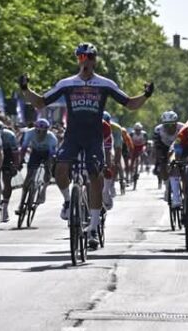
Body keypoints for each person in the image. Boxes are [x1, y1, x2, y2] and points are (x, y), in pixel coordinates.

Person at [19, 43, 152, 249]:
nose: (85, 61)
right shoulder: (67, 83)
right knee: (60, 170)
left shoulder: (104, 84)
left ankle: (93, 227)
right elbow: (40, 103)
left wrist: (146, 95)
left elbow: (129, 104)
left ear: (94, 60)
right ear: (78, 60)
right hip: (73, 136)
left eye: (89, 57)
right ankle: (67, 201)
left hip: (93, 138)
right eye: (81, 57)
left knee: (95, 178)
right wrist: (25, 89)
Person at [20, 118, 58, 205]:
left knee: (48, 169)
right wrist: (20, 160)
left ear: (47, 131)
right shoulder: (29, 133)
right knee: (29, 175)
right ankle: (22, 201)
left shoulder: (52, 137)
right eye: (38, 131)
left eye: (43, 132)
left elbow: (52, 155)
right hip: (35, 152)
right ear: (35, 129)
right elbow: (23, 149)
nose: (41, 134)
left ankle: (44, 189)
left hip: (47, 153)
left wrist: (49, 164)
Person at [153, 111, 184, 200]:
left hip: (179, 146)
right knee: (163, 164)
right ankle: (167, 186)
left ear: (176, 123)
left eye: (171, 125)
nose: (169, 128)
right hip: (164, 147)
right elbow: (157, 147)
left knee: (183, 163)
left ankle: (184, 186)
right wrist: (161, 160)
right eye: (166, 125)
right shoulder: (158, 130)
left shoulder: (183, 127)